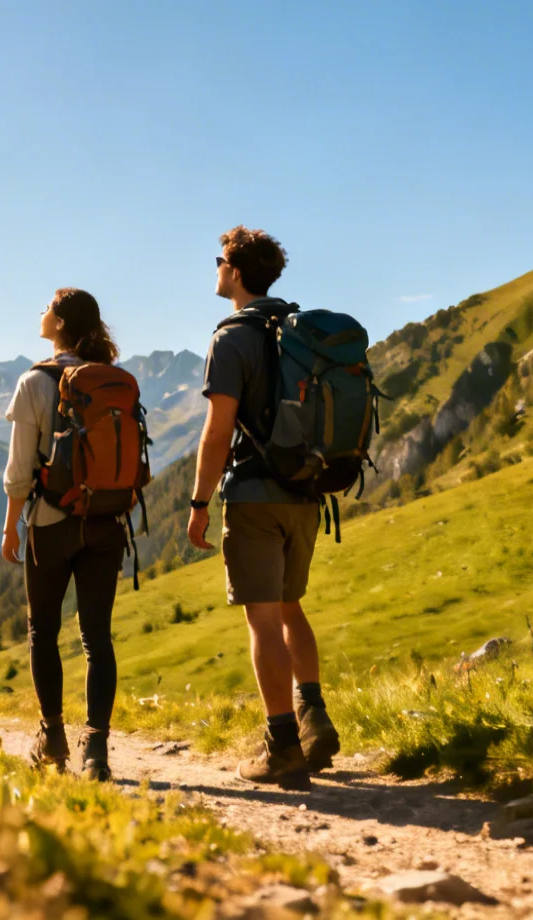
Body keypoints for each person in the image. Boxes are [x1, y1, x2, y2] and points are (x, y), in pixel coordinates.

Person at [186, 226, 340, 791]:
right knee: (291, 606)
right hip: (306, 491)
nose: (217, 268)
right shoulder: (298, 330)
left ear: (235, 270)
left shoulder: (232, 339)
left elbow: (216, 431)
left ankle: (282, 748)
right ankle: (314, 718)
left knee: (262, 619)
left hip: (254, 494)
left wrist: (199, 503)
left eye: (220, 260)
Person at [1, 287, 128, 781]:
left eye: (46, 308)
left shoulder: (35, 381)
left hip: (51, 521)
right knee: (98, 638)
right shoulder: (114, 379)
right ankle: (96, 749)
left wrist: (11, 523)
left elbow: (18, 469)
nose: (40, 313)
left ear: (58, 323)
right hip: (106, 521)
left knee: (43, 632)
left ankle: (52, 737)